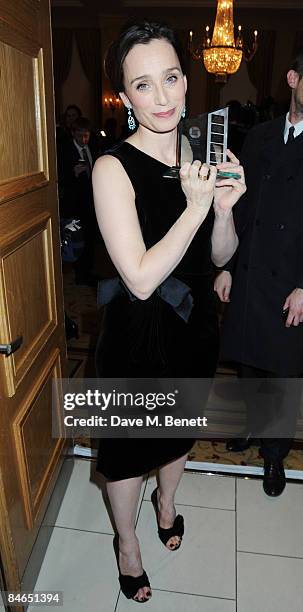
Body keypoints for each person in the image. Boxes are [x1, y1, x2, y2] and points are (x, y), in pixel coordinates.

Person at [92, 20, 246, 603]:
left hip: (195, 327)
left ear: (187, 80)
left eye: (172, 78)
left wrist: (224, 209)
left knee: (179, 433)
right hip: (137, 336)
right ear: (125, 97)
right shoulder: (112, 168)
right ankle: (127, 542)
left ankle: (169, 501)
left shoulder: (199, 152)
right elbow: (137, 278)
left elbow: (219, 255)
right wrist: (195, 204)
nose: (162, 97)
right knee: (131, 450)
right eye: (143, 84)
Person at [215, 49, 303, 497]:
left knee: (283, 376)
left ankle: (274, 456)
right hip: (250, 271)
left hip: (292, 279)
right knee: (249, 365)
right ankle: (250, 429)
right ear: (292, 77)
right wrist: (228, 266)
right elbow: (242, 208)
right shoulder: (261, 136)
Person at [58, 116, 100, 285]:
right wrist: (72, 174)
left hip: (92, 203)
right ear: (73, 133)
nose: (83, 139)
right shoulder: (64, 150)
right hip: (75, 205)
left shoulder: (93, 147)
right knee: (77, 240)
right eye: (80, 135)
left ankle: (88, 272)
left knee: (91, 239)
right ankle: (80, 275)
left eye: (86, 135)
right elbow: (58, 177)